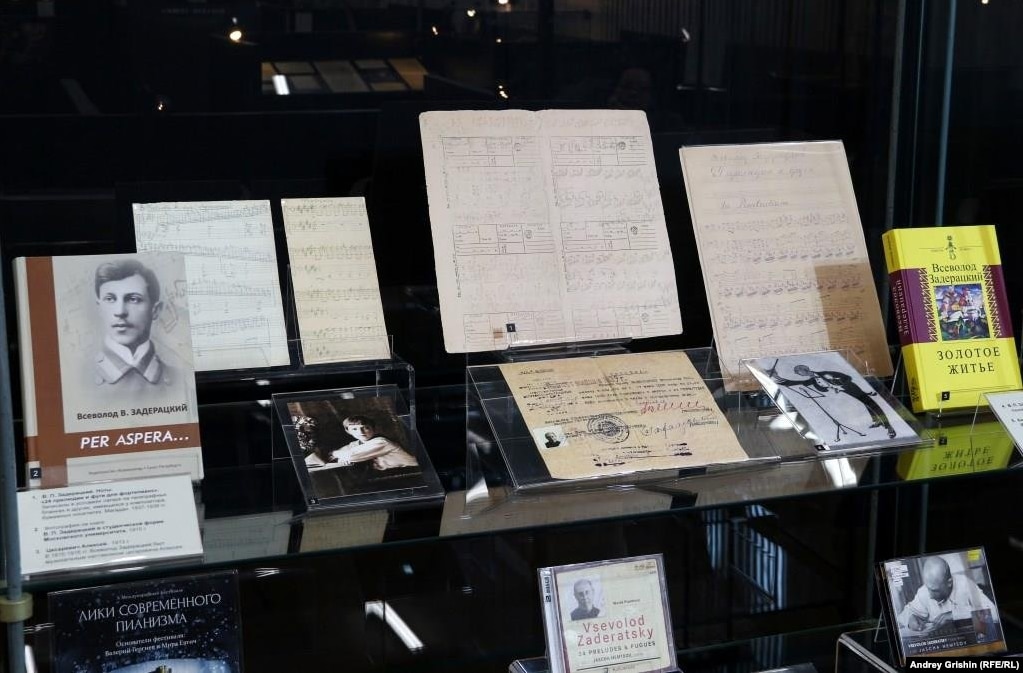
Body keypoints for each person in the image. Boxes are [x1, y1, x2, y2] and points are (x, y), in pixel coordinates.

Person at [92, 258, 176, 393]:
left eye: (133, 299)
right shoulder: (71, 381)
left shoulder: (182, 380)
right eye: (110, 299)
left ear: (155, 310)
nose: (120, 312)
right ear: (99, 308)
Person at [771, 363, 896, 439]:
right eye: (800, 374)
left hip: (849, 388)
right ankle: (877, 421)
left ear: (806, 369)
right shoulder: (812, 380)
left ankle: (889, 427)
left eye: (801, 372)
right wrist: (776, 377)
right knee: (864, 405)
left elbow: (847, 377)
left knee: (870, 404)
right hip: (842, 395)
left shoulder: (825, 373)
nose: (802, 375)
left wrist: (839, 385)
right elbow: (793, 383)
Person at [897, 556, 997, 636]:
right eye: (928, 588)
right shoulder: (924, 591)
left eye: (935, 590)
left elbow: (994, 613)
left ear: (949, 582)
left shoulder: (965, 584)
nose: (930, 596)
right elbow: (901, 619)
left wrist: (954, 615)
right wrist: (910, 619)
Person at [331, 415, 418, 471]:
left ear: (373, 429)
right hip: (390, 474)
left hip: (413, 471)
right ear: (349, 432)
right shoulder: (356, 443)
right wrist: (341, 458)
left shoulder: (381, 441)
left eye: (366, 428)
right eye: (354, 429)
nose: (361, 432)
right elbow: (341, 454)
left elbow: (350, 455)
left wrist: (335, 454)